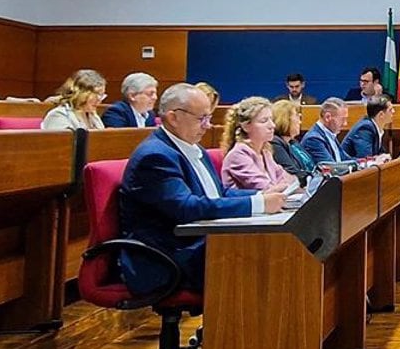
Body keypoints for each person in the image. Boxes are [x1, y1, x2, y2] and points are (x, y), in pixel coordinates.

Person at [115, 83, 287, 296]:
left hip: (194, 244)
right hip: (165, 256)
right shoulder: (155, 156)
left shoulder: (194, 148)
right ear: (173, 117)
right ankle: (238, 326)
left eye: (209, 117)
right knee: (262, 256)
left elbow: (217, 193)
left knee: (274, 249)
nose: (207, 125)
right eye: (201, 118)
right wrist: (257, 204)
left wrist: (260, 196)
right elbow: (185, 207)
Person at [221, 96, 303, 195]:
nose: (272, 125)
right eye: (264, 121)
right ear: (246, 126)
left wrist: (286, 186)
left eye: (271, 120)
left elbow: (290, 180)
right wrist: (285, 187)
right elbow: (266, 189)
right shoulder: (238, 155)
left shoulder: (265, 152)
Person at [268, 98, 318, 184]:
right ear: (285, 119)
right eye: (297, 116)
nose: (300, 122)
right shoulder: (275, 143)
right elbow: (292, 172)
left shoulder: (293, 142)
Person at [41, 69, 108, 130]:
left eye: (101, 95)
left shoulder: (93, 116)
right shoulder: (58, 115)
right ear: (80, 94)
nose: (99, 99)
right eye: (96, 94)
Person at [300, 97, 351, 167]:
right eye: (342, 119)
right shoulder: (313, 140)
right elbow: (332, 168)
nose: (345, 124)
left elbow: (345, 159)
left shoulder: (330, 134)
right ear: (327, 117)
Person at [342, 95, 394, 163]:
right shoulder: (365, 128)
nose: (393, 111)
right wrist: (378, 158)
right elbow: (366, 158)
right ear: (381, 114)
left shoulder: (375, 127)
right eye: (390, 110)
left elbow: (380, 154)